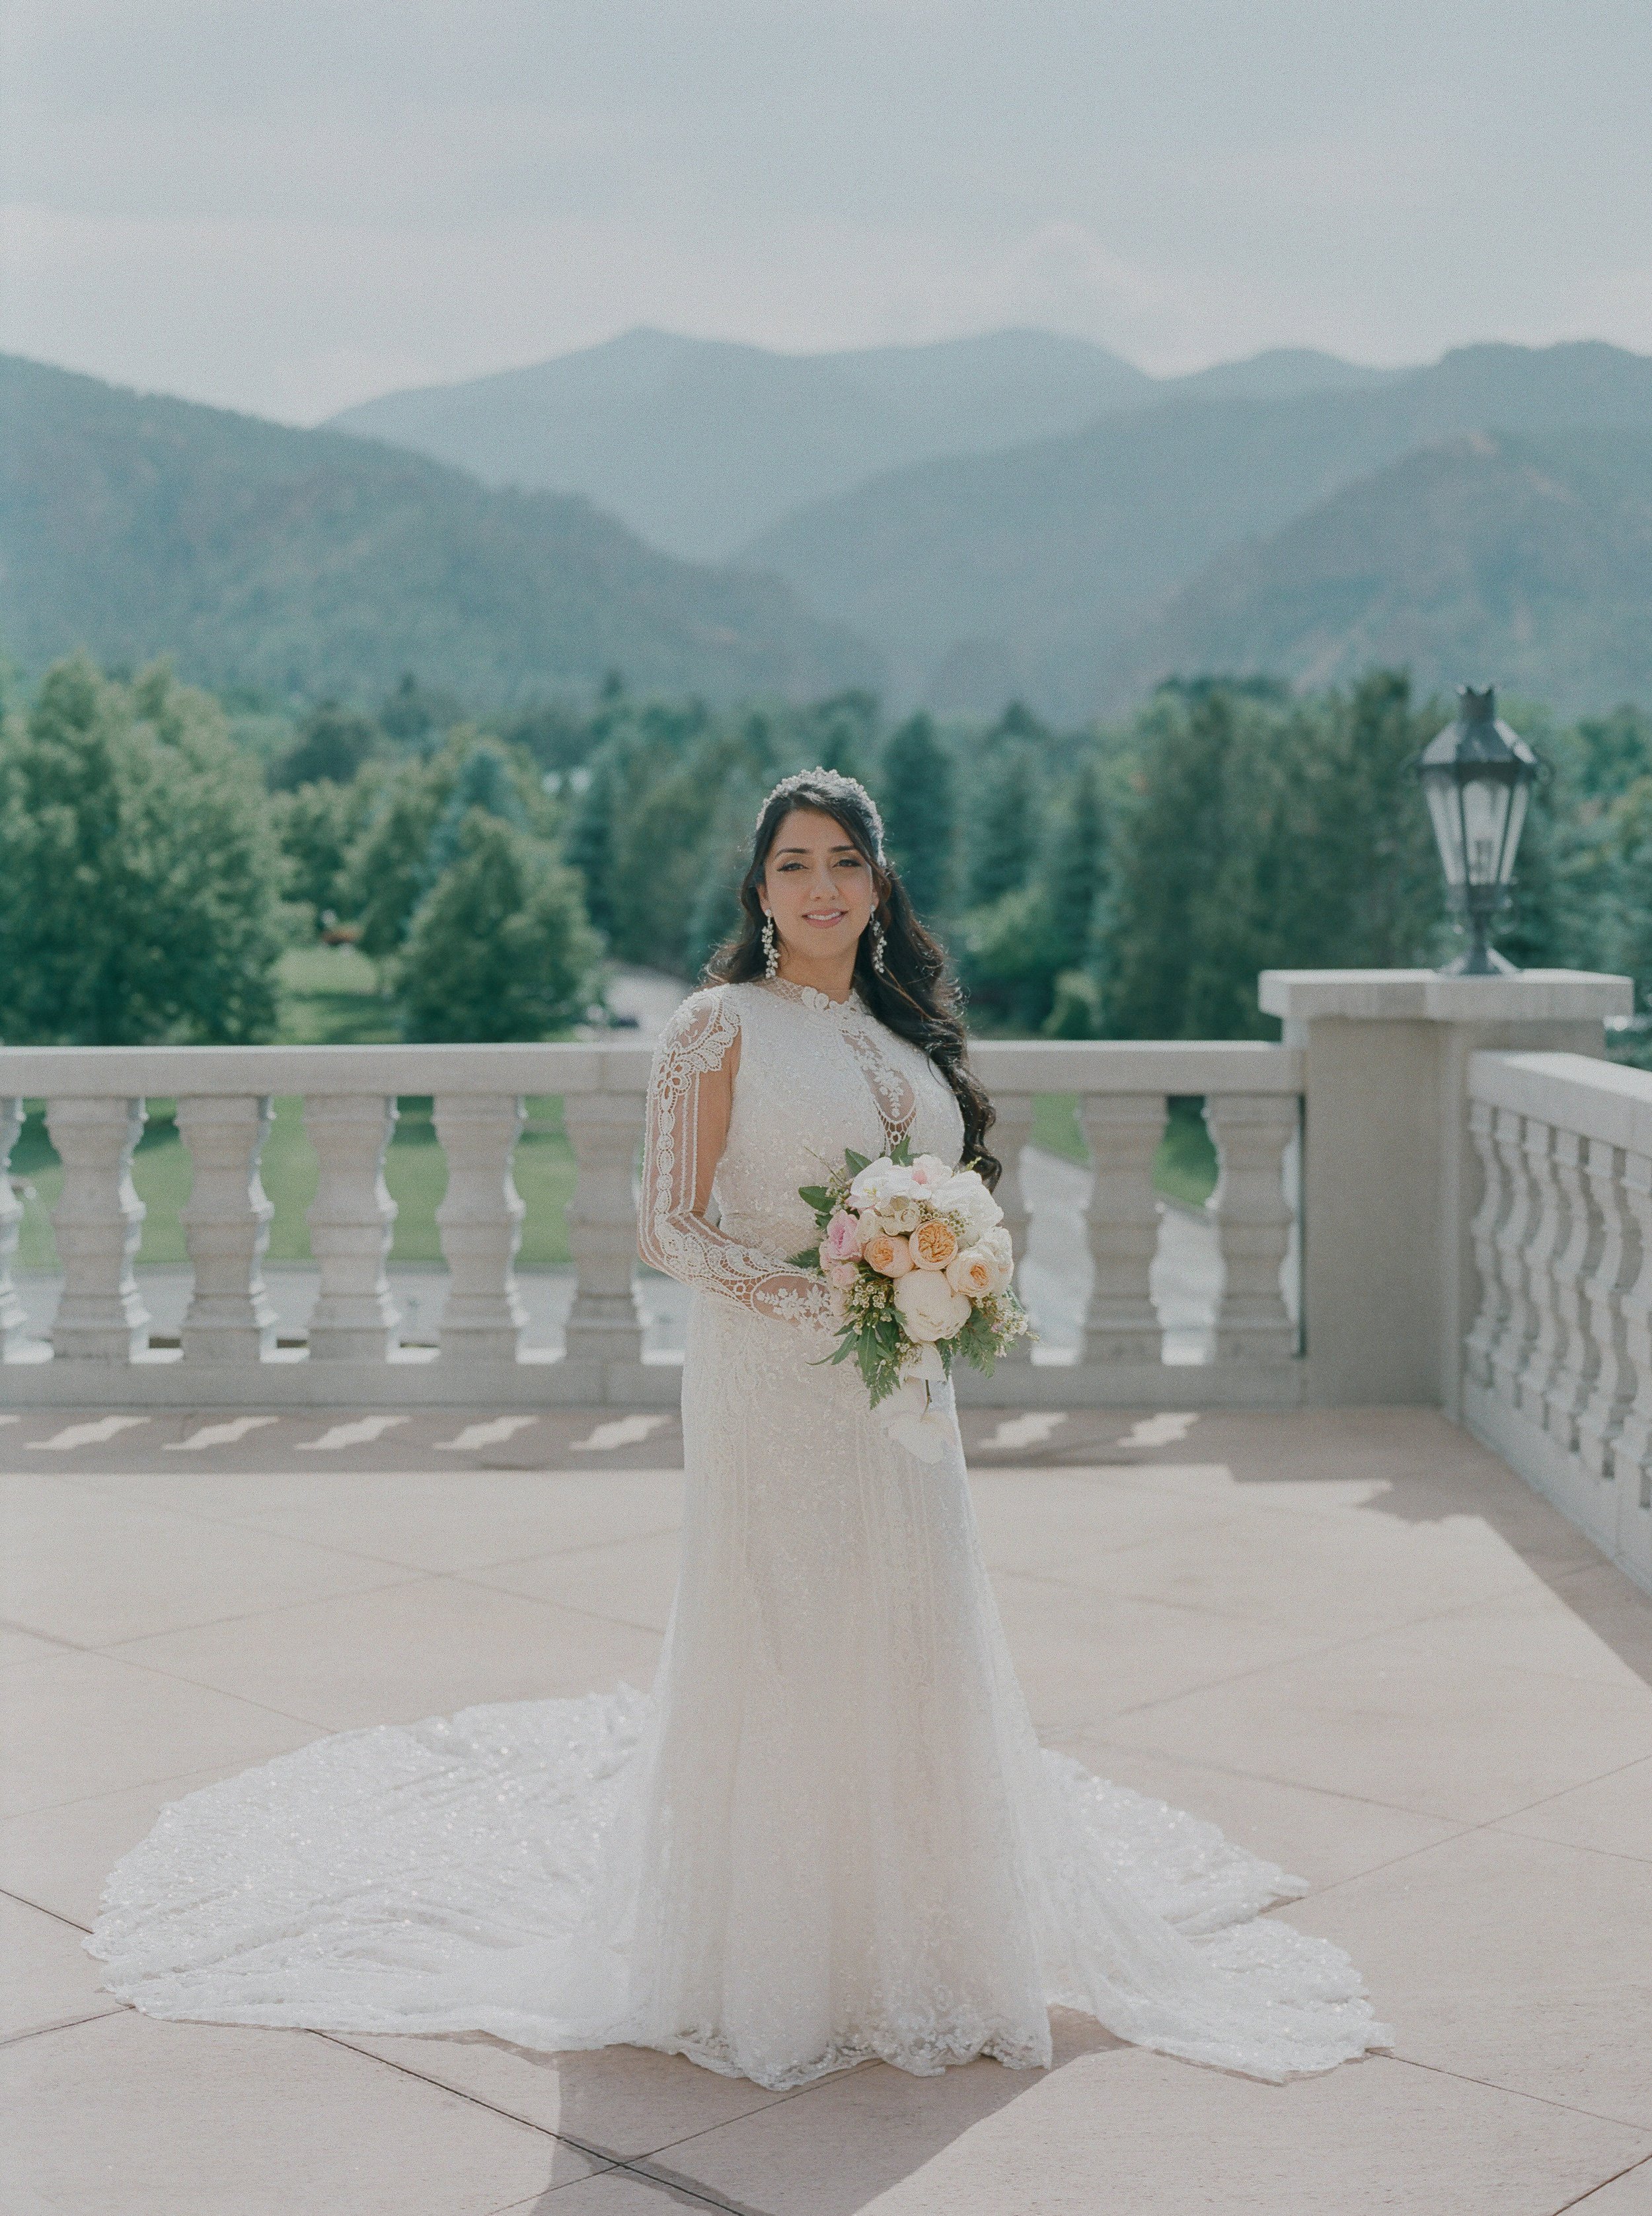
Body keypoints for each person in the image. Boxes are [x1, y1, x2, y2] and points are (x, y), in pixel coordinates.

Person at [87, 768, 1387, 2088]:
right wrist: (823, 1293)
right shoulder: (718, 1027)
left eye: (842, 862)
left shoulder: (901, 1037)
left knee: (911, 1626)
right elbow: (669, 1225)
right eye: (792, 865)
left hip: (900, 1391)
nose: (819, 887)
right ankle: (779, 1960)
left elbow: (936, 1187)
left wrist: (940, 1273)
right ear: (757, 891)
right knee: (785, 1626)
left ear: (878, 885)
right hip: (771, 1379)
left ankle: (918, 1941)